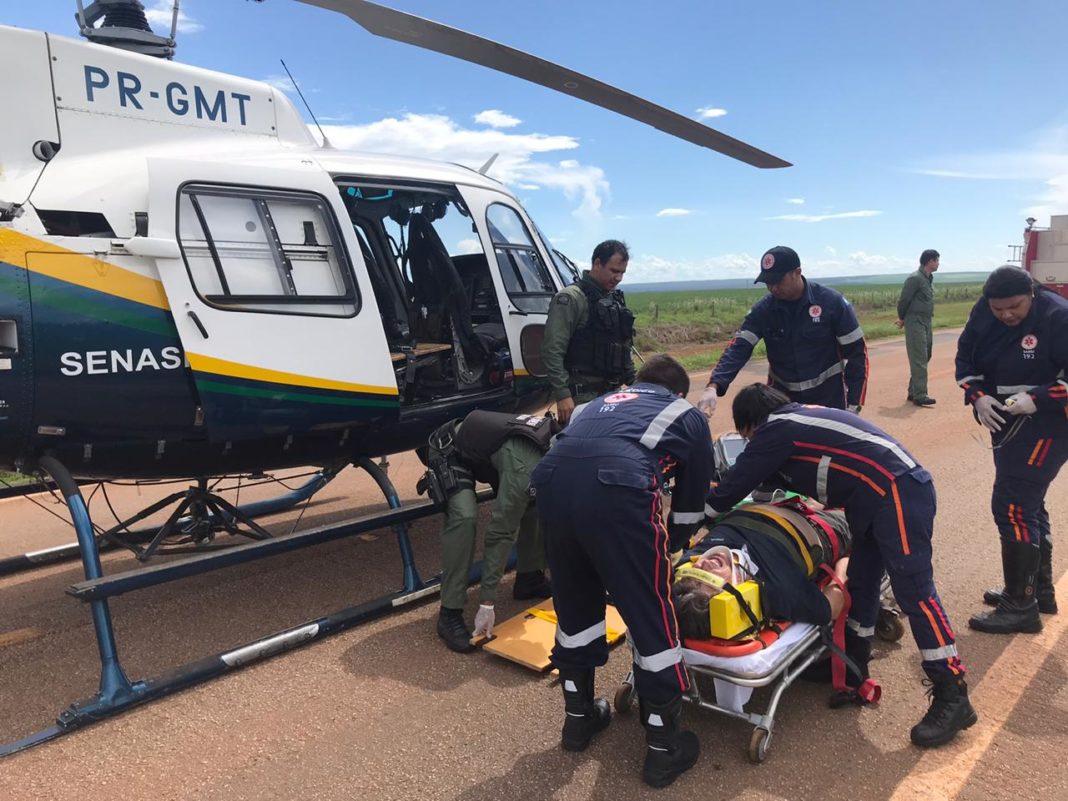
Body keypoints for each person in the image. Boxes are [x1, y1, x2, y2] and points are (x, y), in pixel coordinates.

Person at [705, 384, 977, 748]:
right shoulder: (797, 423)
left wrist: (696, 516)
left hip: (896, 491)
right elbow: (765, 481)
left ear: (751, 425)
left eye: (745, 435)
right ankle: (853, 665)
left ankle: (952, 692)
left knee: (915, 592)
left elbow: (735, 484)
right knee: (862, 583)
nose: (748, 442)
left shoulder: (778, 428)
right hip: (874, 498)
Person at [529, 354, 714, 788]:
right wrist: (675, 545)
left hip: (552, 486)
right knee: (651, 614)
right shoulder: (684, 413)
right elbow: (691, 499)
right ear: (679, 393)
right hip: (620, 487)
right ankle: (664, 749)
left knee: (575, 610)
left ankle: (578, 722)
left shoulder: (599, 402)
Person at [955, 265, 1067, 634]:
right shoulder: (983, 313)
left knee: (1013, 504)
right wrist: (978, 396)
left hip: (1049, 423)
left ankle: (1020, 604)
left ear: (1031, 295)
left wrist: (1039, 398)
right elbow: (965, 361)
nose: (1006, 315)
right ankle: (1039, 592)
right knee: (1029, 504)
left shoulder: (1056, 315)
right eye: (998, 309)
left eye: (1014, 307)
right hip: (1003, 422)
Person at [420, 410, 558, 653]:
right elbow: (500, 533)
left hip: (490, 455)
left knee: (536, 502)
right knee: (464, 518)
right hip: (451, 450)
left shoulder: (560, 453)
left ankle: (529, 578)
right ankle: (449, 613)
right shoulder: (526, 469)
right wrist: (487, 602)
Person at [697, 246, 868, 418]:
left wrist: (854, 405)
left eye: (778, 281)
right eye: (768, 283)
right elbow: (738, 348)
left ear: (797, 272)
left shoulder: (831, 303)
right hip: (782, 401)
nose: (772, 288)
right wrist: (714, 386)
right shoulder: (764, 310)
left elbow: (856, 353)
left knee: (828, 443)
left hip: (828, 399)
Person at [541, 239, 636, 425]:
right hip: (581, 398)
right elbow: (552, 350)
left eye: (622, 273)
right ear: (597, 264)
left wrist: (641, 385)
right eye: (614, 271)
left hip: (611, 395)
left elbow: (623, 349)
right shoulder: (571, 298)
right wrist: (562, 395)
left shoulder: (613, 300)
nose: (618, 278)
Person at [896, 249, 940, 406]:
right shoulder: (915, 278)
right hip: (915, 321)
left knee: (926, 354)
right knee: (919, 356)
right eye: (936, 260)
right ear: (929, 261)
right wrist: (902, 318)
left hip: (926, 321)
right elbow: (904, 300)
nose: (938, 263)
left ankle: (913, 391)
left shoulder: (927, 279)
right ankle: (920, 395)